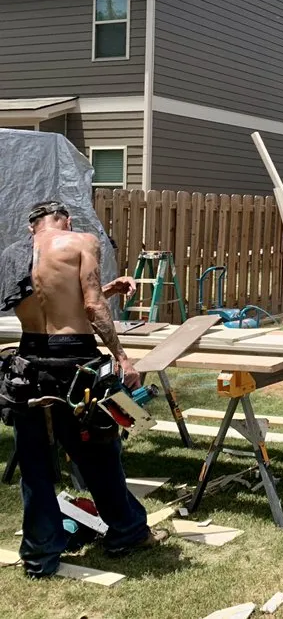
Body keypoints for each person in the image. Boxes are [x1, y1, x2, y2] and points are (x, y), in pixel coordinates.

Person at [0, 201, 166, 579]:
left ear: (32, 228)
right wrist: (122, 357)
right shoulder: (81, 242)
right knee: (99, 455)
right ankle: (127, 532)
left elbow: (47, 301)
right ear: (66, 220)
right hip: (75, 362)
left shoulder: (15, 254)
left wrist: (107, 289)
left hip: (29, 365)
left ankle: (40, 556)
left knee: (35, 467)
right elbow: (90, 308)